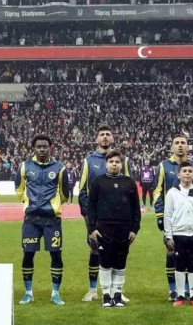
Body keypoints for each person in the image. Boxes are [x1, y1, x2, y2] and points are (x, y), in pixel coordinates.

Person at [78, 125, 133, 302]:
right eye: (101, 134)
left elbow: (129, 189)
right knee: (95, 249)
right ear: (96, 139)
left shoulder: (123, 160)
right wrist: (88, 217)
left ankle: (117, 291)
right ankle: (93, 289)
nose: (105, 137)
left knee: (118, 251)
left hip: (119, 219)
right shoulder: (88, 161)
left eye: (108, 134)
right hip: (97, 218)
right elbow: (82, 190)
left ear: (112, 138)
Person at [153, 135, 193, 302]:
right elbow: (157, 190)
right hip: (173, 219)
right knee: (171, 252)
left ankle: (188, 290)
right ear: (172, 147)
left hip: (192, 222)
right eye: (176, 143)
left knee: (191, 256)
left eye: (183, 143)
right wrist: (160, 214)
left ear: (188, 146)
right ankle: (173, 290)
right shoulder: (163, 166)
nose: (180, 145)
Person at [15, 135, 68, 305]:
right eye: (39, 146)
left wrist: (52, 207)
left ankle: (55, 293)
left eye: (45, 146)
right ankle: (28, 292)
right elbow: (19, 189)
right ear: (34, 148)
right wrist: (29, 203)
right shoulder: (25, 166)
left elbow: (64, 194)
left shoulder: (60, 168)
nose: (42, 149)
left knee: (56, 254)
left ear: (50, 147)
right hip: (31, 220)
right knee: (28, 254)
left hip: (52, 220)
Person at [87, 151, 141, 308]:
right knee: (105, 262)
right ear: (106, 163)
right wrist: (92, 228)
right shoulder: (98, 182)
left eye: (117, 162)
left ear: (121, 164)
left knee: (120, 262)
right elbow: (91, 207)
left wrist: (134, 229)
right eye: (111, 162)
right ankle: (106, 295)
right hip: (103, 229)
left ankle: (117, 295)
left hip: (124, 229)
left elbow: (136, 208)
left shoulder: (129, 182)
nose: (114, 164)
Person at [164, 162, 193, 308]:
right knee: (179, 265)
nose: (188, 173)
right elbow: (167, 215)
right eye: (184, 171)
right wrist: (169, 236)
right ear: (179, 174)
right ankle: (180, 295)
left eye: (190, 171)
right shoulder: (172, 192)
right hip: (178, 234)